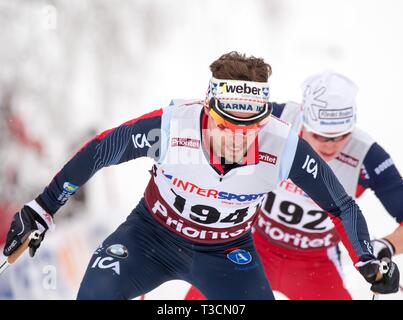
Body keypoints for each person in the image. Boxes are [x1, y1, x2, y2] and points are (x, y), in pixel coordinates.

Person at [3, 54, 399, 300]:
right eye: (226, 126)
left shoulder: (284, 145)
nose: (238, 139)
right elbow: (103, 149)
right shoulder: (175, 127)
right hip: (150, 237)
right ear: (207, 111)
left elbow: (342, 204)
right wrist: (43, 207)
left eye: (252, 128)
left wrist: (367, 257)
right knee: (95, 294)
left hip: (226, 253)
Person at [186, 70, 403, 300]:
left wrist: (385, 246)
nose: (330, 145)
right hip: (252, 246)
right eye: (320, 135)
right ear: (303, 119)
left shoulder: (366, 154)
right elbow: (207, 133)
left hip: (316, 263)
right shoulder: (275, 121)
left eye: (341, 136)